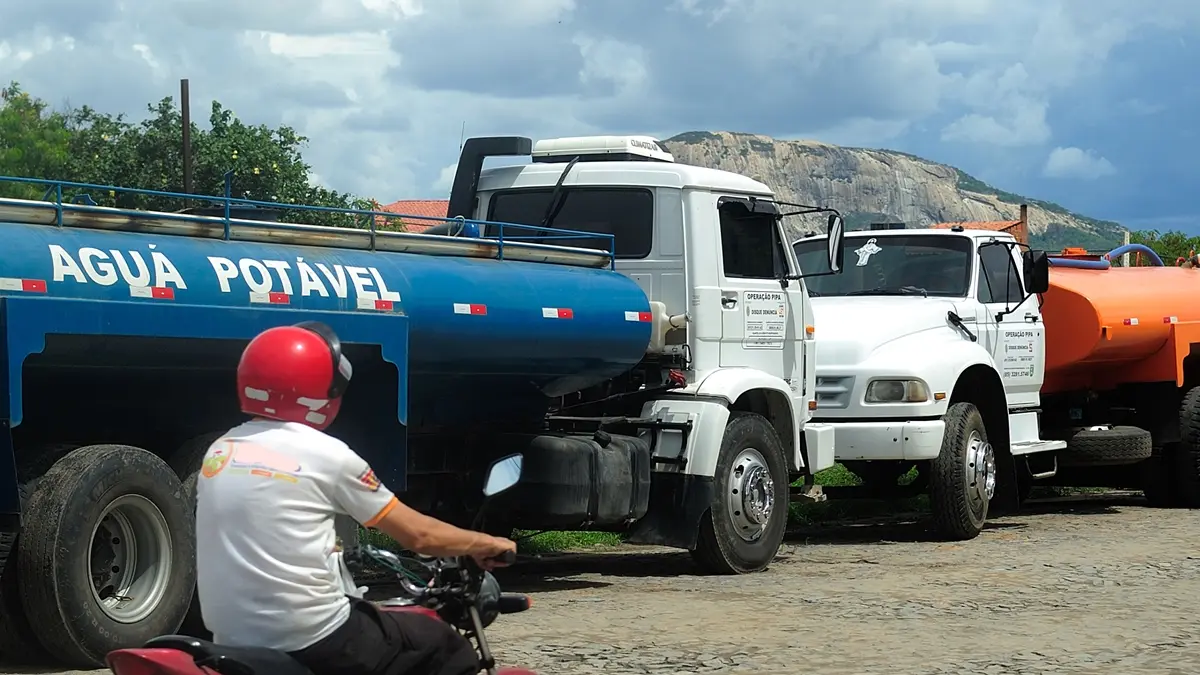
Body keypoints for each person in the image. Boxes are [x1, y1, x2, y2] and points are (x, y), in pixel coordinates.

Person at [195, 321, 517, 675]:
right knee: (443, 644)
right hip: (313, 636)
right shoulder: (328, 454)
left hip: (232, 638)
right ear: (323, 391)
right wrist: (485, 542)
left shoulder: (221, 450)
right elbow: (418, 535)